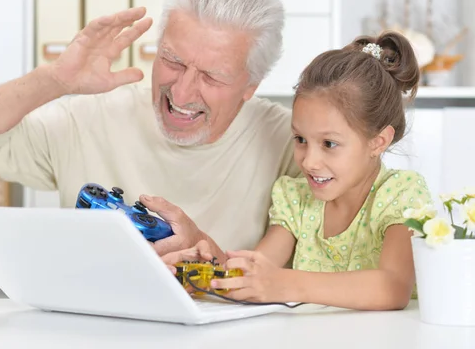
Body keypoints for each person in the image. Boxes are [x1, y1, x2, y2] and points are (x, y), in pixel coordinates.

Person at [0, 0, 301, 260]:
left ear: (251, 85)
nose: (182, 91)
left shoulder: (293, 143)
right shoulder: (89, 119)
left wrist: (201, 248)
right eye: (172, 60)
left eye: (211, 77)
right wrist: (54, 80)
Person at [162, 31, 434, 311]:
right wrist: (201, 275)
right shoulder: (296, 197)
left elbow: (392, 287)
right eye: (301, 139)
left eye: (329, 144)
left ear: (378, 142)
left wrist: (285, 283)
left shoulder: (401, 195)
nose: (309, 161)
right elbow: (259, 271)